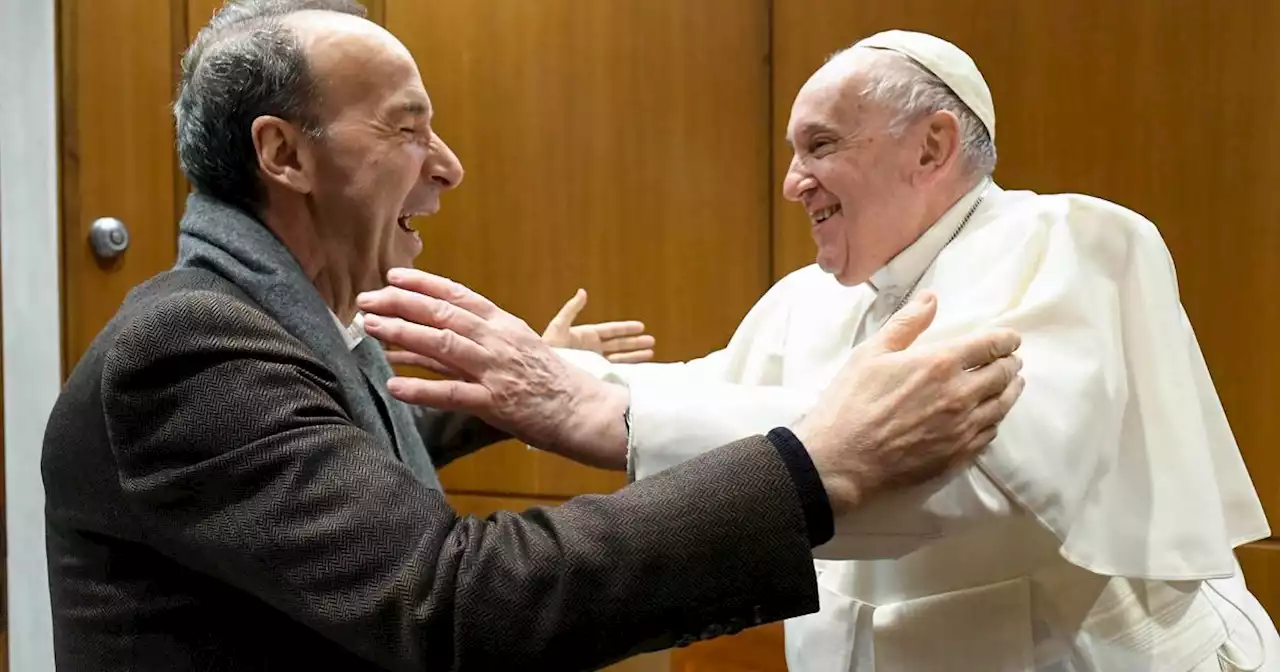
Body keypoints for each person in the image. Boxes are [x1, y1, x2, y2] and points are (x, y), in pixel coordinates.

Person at [39, 4, 1027, 670]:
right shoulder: (189, 349)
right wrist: (814, 466)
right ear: (284, 154)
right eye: (407, 130)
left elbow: (326, 457)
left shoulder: (264, 322)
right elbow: (450, 599)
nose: (448, 165)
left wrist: (514, 391)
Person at [373, 29, 1279, 672]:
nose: (791, 181)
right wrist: (556, 374)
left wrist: (603, 409)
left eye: (821, 146)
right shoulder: (814, 295)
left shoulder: (1060, 243)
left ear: (933, 145)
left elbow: (990, 482)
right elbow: (717, 394)